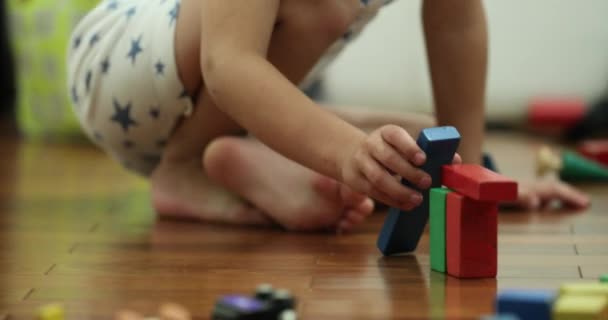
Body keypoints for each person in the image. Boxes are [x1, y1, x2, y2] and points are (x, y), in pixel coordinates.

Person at [67, 0, 589, 233]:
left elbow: (456, 24)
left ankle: (239, 155)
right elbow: (228, 62)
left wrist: (470, 176)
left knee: (417, 142)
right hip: (123, 66)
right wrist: (344, 153)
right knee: (322, 7)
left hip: (208, 101)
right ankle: (184, 168)